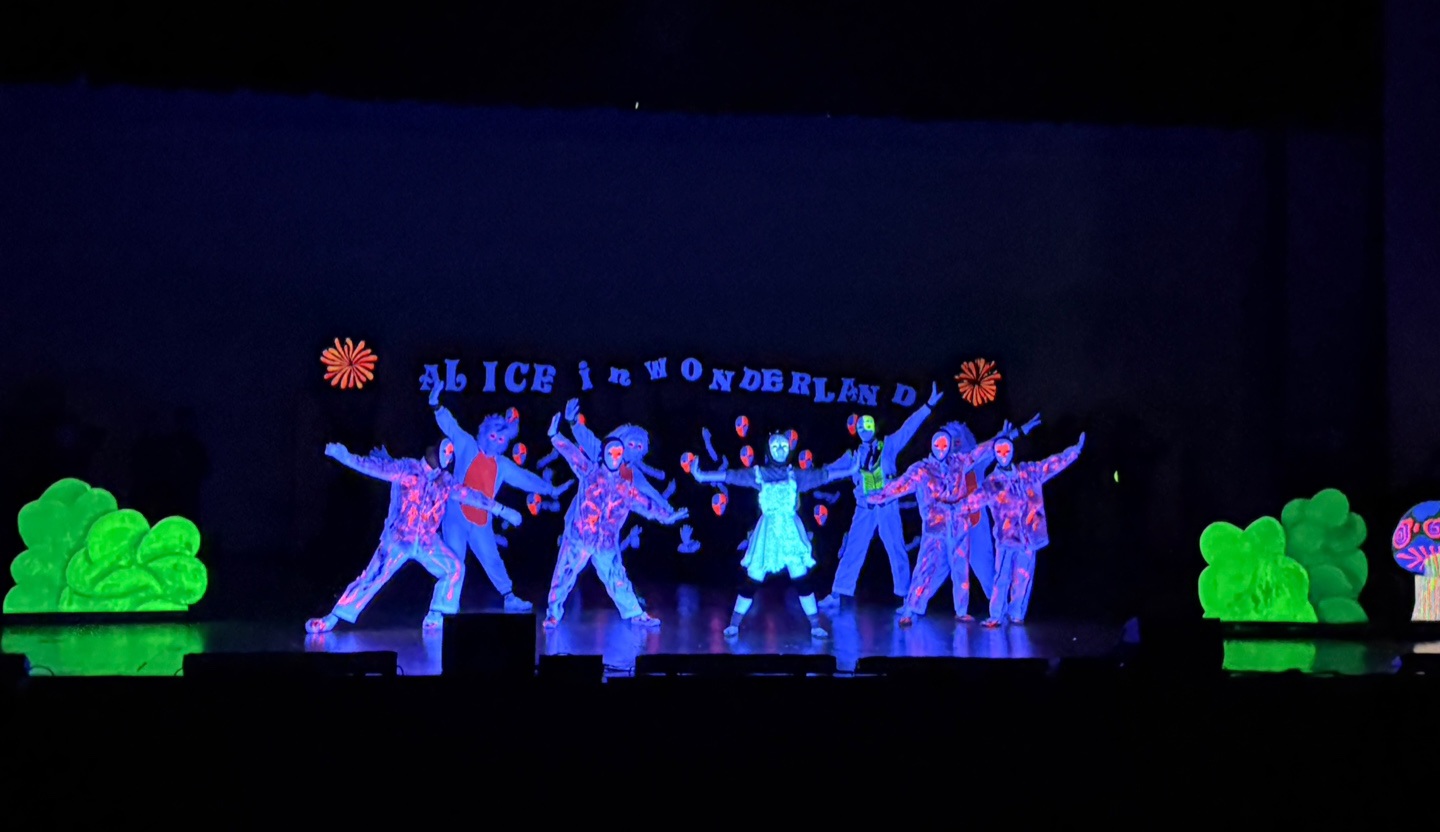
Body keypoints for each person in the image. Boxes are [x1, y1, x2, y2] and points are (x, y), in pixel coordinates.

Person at [306, 441, 523, 633]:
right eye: (444, 451)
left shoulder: (445, 481)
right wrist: (345, 457)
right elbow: (374, 468)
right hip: (399, 539)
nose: (446, 457)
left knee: (454, 568)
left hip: (427, 542)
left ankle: (437, 614)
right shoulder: (407, 469)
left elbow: (470, 495)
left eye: (450, 454)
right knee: (371, 577)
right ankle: (333, 617)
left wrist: (501, 510)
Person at [692, 432, 856, 639]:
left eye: (784, 446)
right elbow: (732, 476)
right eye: (775, 446)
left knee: (801, 576)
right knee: (754, 577)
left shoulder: (795, 475)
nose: (780, 450)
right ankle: (734, 624)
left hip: (789, 531)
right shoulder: (759, 474)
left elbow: (822, 475)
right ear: (769, 450)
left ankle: (815, 625)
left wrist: (850, 470)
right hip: (767, 532)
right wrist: (702, 476)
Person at [543, 411, 688, 629]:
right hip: (580, 537)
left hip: (605, 543)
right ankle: (553, 614)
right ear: (604, 454)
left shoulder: (625, 487)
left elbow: (647, 504)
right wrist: (555, 436)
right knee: (563, 574)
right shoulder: (590, 472)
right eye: (611, 452)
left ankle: (635, 613)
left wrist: (668, 516)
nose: (614, 456)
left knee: (617, 578)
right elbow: (572, 454)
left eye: (618, 453)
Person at [868, 420, 1021, 626]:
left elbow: (979, 453)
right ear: (932, 445)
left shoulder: (958, 462)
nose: (941, 449)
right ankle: (911, 608)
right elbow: (901, 485)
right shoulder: (922, 469)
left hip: (958, 526)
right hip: (935, 528)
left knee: (960, 568)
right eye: (938, 445)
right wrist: (879, 496)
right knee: (925, 567)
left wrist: (1001, 439)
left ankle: (962, 610)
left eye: (945, 445)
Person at [431, 391, 573, 612]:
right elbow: (451, 426)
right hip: (456, 516)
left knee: (492, 559)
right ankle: (447, 606)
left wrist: (550, 490)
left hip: (482, 520)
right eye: (493, 436)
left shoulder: (502, 465)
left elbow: (525, 478)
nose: (496, 442)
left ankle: (509, 596)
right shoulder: (467, 444)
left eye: (501, 439)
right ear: (484, 433)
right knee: (455, 561)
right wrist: (436, 406)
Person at [821, 383, 943, 613]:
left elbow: (908, 428)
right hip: (865, 507)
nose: (865, 429)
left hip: (887, 505)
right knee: (854, 548)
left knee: (896, 548)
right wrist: (801, 477)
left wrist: (927, 406)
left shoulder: (888, 446)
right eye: (861, 426)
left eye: (868, 425)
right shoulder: (853, 455)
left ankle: (907, 598)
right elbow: (828, 471)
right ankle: (837, 593)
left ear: (874, 427)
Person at [980, 432, 1084, 627]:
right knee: (1002, 577)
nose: (1003, 455)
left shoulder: (1028, 472)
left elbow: (1050, 465)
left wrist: (1072, 452)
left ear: (1013, 451)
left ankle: (1017, 613)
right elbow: (974, 500)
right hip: (1007, 538)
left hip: (1028, 537)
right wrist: (953, 509)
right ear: (994, 454)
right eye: (999, 451)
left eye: (1006, 450)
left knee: (1023, 577)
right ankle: (996, 615)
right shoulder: (991, 483)